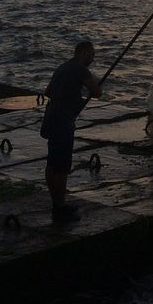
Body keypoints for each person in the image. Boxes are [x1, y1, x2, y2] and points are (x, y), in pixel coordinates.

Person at [40, 40, 102, 223]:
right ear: (82, 53)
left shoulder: (63, 67)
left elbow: (48, 92)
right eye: (91, 55)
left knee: (53, 163)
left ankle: (57, 203)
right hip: (63, 122)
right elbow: (97, 92)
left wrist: (69, 96)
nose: (92, 58)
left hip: (51, 118)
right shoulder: (80, 69)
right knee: (62, 166)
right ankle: (60, 206)